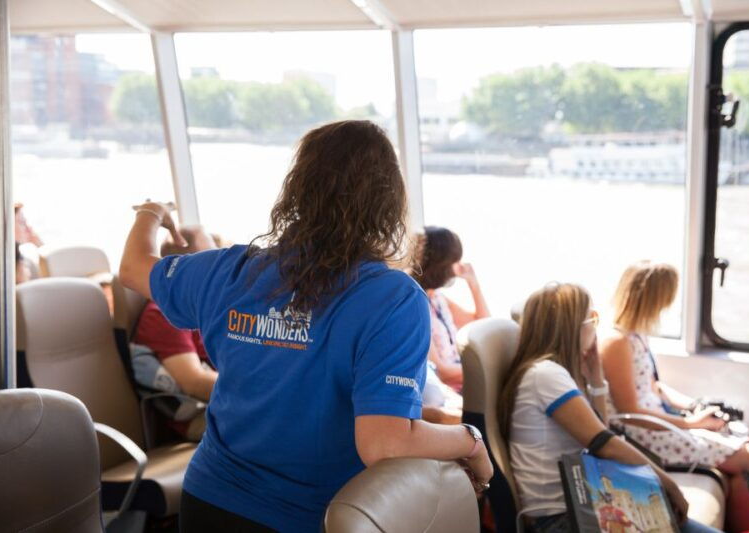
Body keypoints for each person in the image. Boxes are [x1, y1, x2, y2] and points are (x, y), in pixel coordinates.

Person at [120, 120, 493, 533]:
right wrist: (470, 441)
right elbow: (384, 444)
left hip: (208, 502)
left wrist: (151, 213)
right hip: (309, 516)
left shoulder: (229, 270)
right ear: (388, 202)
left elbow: (134, 267)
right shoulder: (392, 297)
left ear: (297, 189)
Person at [498, 283, 719, 533]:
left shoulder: (550, 373)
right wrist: (668, 484)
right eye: (592, 317)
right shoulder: (546, 376)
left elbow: (599, 431)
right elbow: (604, 443)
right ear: (573, 327)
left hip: (578, 506)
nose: (595, 326)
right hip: (561, 519)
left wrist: (595, 378)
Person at [600, 261, 749, 532]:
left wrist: (694, 407)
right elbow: (630, 411)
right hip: (642, 433)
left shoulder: (637, 336)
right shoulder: (616, 343)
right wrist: (692, 424)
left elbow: (656, 387)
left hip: (660, 422)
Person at [131, 226, 219, 441]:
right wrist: (256, 392)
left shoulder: (200, 304)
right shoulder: (163, 313)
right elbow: (194, 382)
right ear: (190, 263)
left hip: (225, 404)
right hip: (203, 416)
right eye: (212, 254)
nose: (220, 262)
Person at [409, 226, 490, 392]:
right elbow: (441, 371)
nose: (456, 268)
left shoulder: (437, 298)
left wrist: (473, 284)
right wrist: (488, 372)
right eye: (454, 262)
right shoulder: (414, 303)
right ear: (441, 265)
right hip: (451, 393)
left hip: (465, 384)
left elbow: (483, 326)